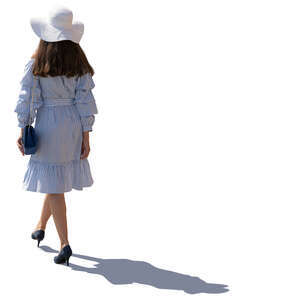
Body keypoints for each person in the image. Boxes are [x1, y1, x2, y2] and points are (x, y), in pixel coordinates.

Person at [14, 6, 98, 266]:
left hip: (48, 123)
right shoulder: (78, 62)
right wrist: (86, 137)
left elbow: (28, 99)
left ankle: (65, 244)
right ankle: (40, 226)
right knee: (55, 181)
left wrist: (23, 127)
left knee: (54, 186)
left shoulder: (38, 61)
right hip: (71, 123)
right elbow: (85, 100)